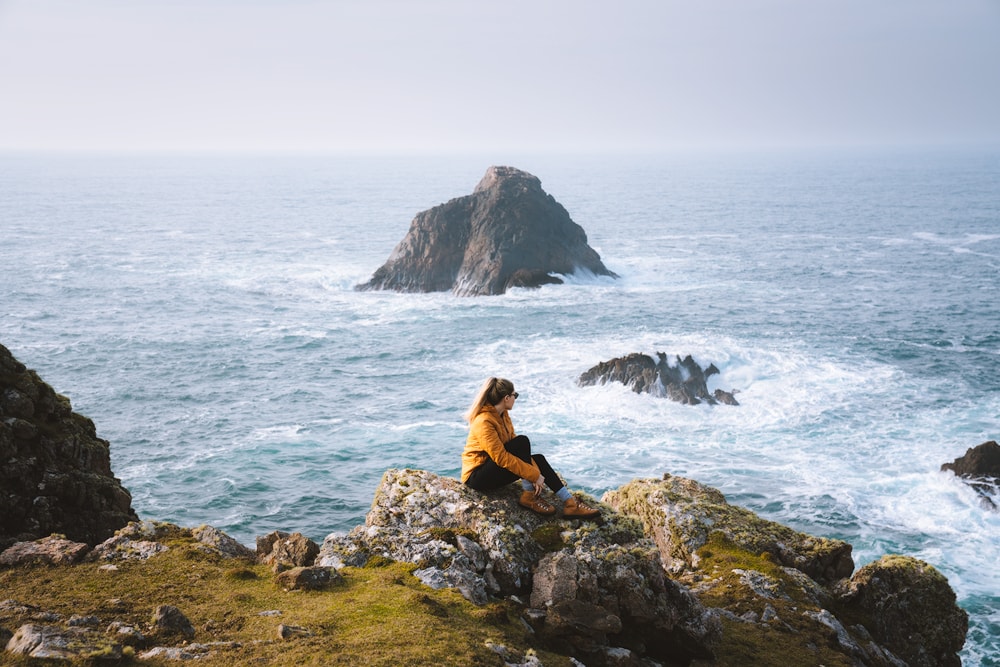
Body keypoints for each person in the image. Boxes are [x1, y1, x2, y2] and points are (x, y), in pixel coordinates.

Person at [461, 377, 600, 519]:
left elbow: (514, 448)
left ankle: (570, 504)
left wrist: (534, 471)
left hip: (492, 467)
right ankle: (529, 496)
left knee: (537, 458)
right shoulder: (483, 421)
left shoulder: (502, 415)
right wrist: (533, 475)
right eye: (515, 395)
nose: (516, 398)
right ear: (507, 398)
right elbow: (501, 457)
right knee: (522, 442)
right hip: (477, 477)